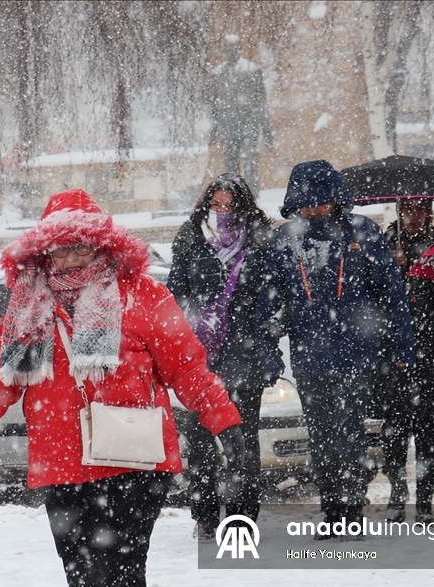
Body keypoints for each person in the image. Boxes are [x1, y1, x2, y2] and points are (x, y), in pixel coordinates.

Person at [0, 189, 245, 587]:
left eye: (80, 247)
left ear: (102, 246)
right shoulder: (29, 305)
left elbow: (187, 366)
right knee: (79, 561)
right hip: (60, 456)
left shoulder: (143, 296)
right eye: (60, 249)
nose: (69, 258)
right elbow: (0, 368)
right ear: (43, 253)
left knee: (123, 557)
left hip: (132, 454)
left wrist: (223, 420)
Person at [258, 161, 415, 537]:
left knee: (349, 437)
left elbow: (391, 295)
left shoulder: (362, 232)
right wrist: (268, 350)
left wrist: (401, 345)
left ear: (335, 199)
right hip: (310, 360)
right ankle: (333, 514)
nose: (314, 211)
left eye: (322, 203)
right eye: (307, 204)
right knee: (322, 440)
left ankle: (352, 515)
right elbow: (269, 303)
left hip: (356, 357)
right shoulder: (285, 240)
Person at [168, 174, 275, 542]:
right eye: (216, 205)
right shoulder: (191, 238)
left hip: (245, 355)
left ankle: (243, 517)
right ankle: (206, 514)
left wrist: (265, 332)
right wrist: (192, 322)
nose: (223, 212)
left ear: (243, 206)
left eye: (231, 206)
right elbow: (175, 294)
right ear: (206, 205)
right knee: (200, 441)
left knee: (243, 439)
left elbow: (270, 297)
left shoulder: (260, 240)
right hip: (199, 359)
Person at [371, 198, 434, 522]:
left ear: (429, 212)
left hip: (432, 352)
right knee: (394, 430)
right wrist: (394, 269)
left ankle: (425, 500)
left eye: (420, 209)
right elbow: (367, 293)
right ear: (399, 210)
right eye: (408, 209)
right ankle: (397, 490)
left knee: (428, 432)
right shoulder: (383, 242)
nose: (414, 216)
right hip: (393, 351)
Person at [208, 34, 273, 195]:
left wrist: (266, 130)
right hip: (227, 124)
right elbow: (213, 106)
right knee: (231, 165)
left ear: (239, 48)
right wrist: (212, 131)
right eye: (227, 48)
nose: (231, 51)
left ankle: (253, 196)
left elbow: (261, 101)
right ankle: (236, 196)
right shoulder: (217, 74)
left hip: (248, 122)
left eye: (234, 47)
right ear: (224, 50)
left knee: (250, 161)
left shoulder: (252, 70)